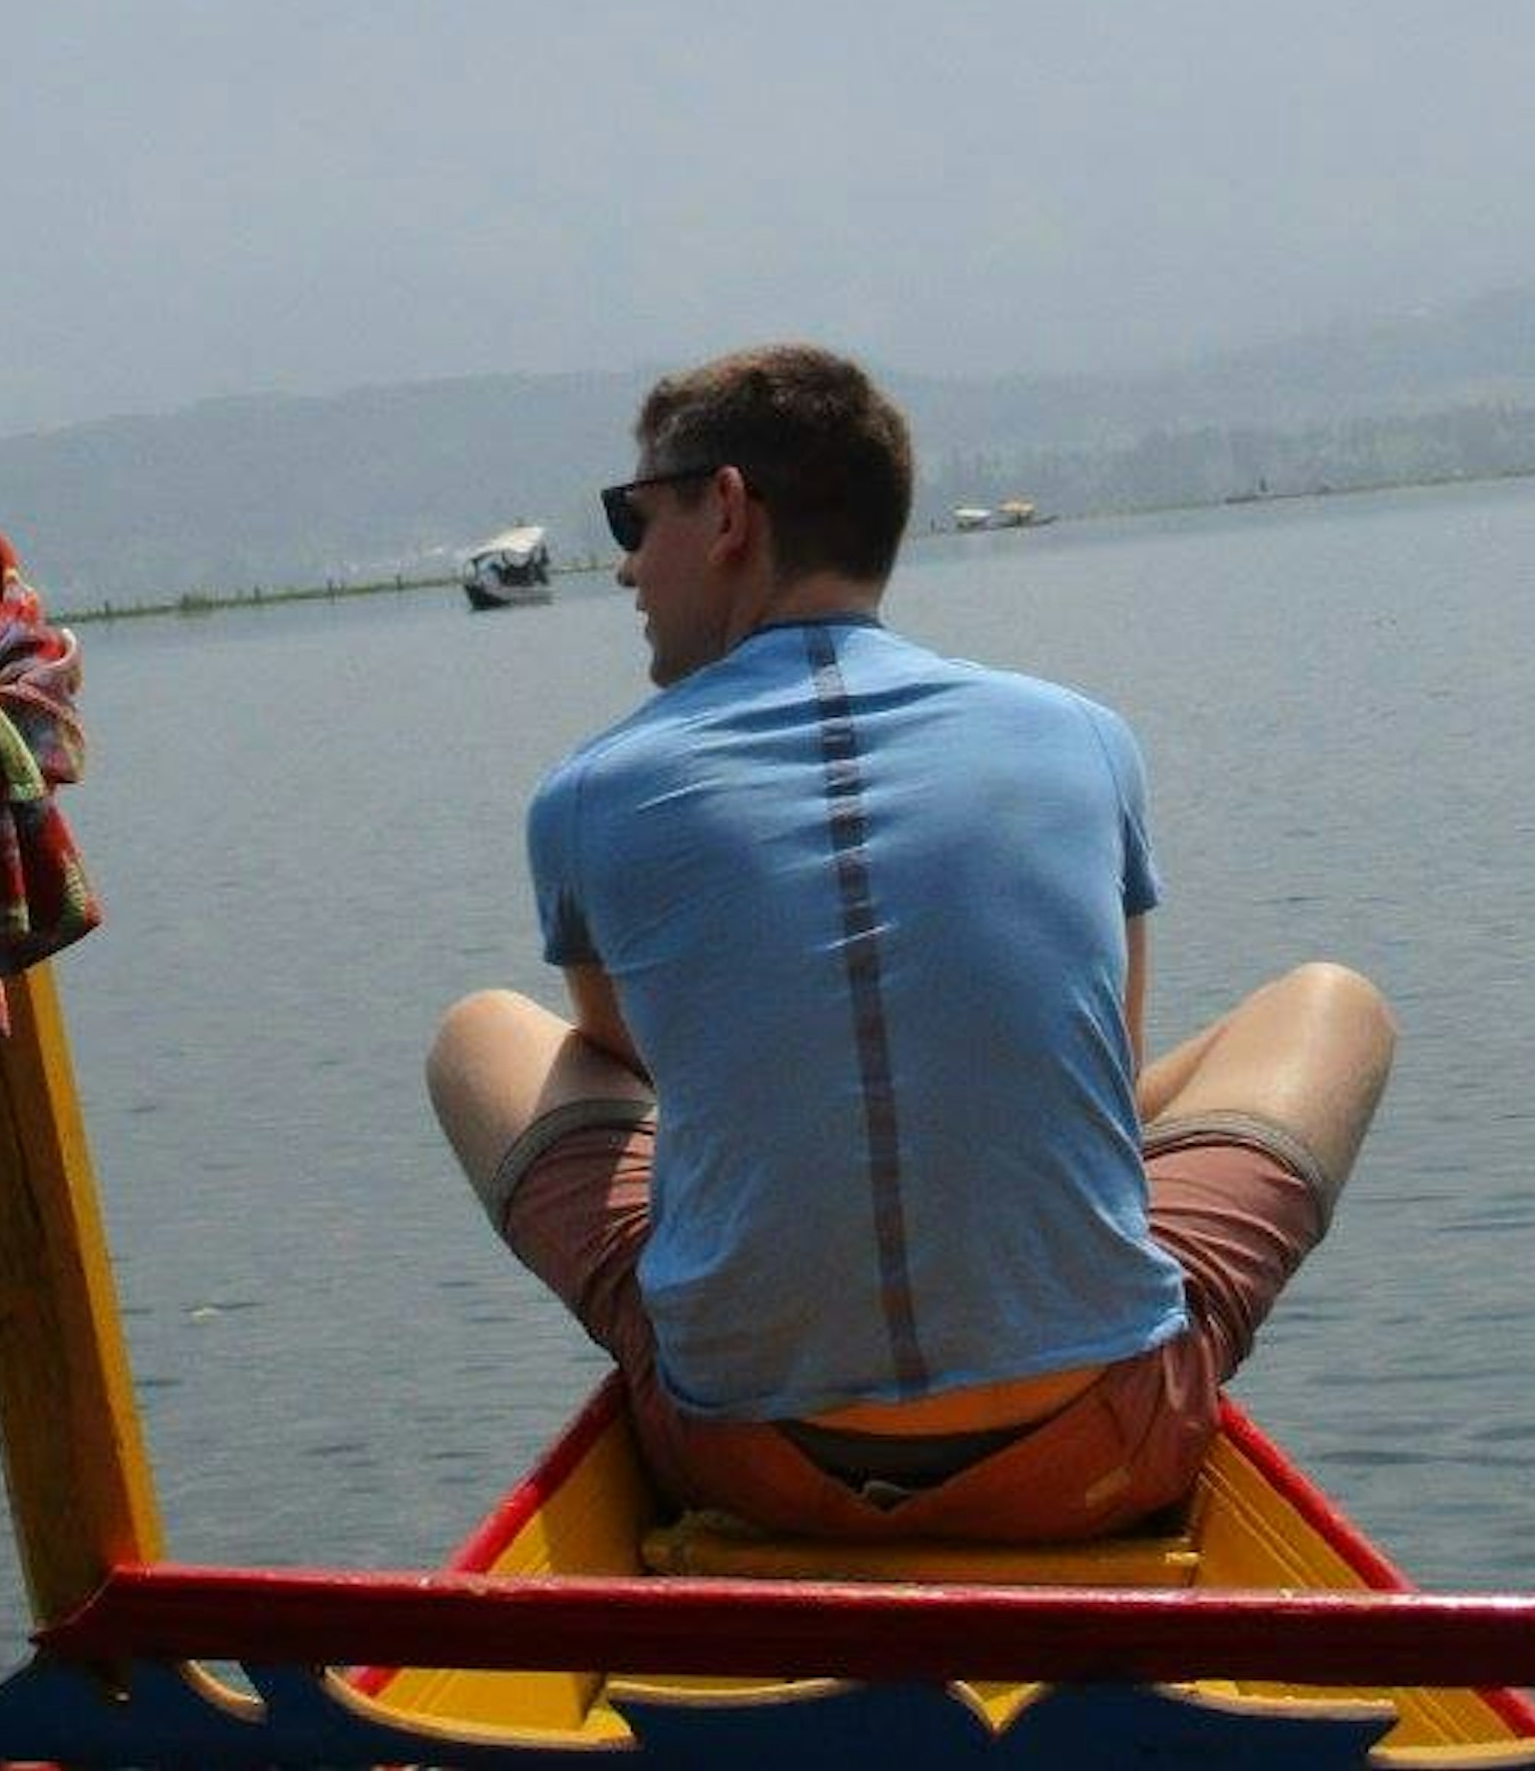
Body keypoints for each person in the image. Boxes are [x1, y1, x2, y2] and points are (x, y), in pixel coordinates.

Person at [426, 342, 1395, 1544]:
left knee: (483, 1033)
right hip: (1105, 1442)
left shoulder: (589, 792)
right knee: (1328, 1002)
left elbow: (641, 1078)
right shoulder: (1084, 738)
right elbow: (1117, 1087)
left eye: (637, 514)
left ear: (727, 510)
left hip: (744, 1457)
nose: (624, 564)